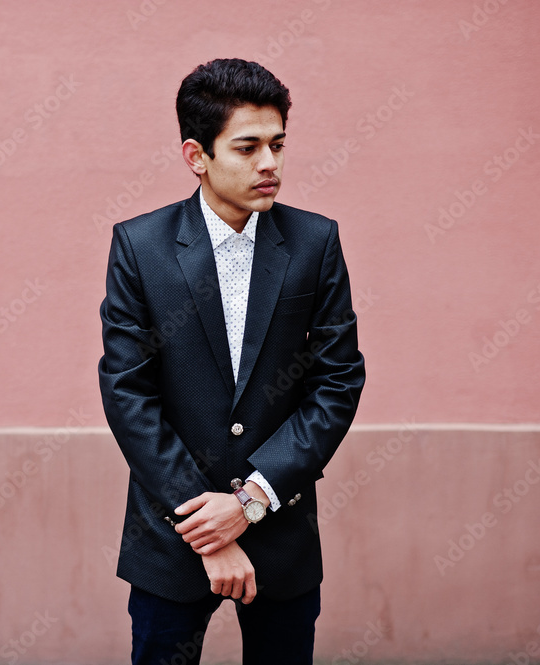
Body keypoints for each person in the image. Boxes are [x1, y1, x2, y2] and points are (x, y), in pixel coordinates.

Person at [97, 58, 365, 665]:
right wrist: (207, 527)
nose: (269, 163)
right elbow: (127, 392)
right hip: (172, 536)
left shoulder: (315, 243)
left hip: (281, 534)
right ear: (197, 155)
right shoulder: (141, 247)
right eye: (247, 147)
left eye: (278, 145)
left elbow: (337, 382)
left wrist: (248, 504)